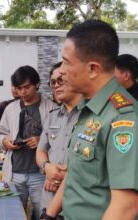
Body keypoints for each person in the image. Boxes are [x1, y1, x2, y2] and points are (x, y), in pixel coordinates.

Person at [42, 20, 138, 220]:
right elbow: (76, 173)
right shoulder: (89, 110)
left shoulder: (124, 120)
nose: (61, 70)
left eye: (67, 62)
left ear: (93, 69)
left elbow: (125, 207)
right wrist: (49, 215)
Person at [0, 65, 56, 219]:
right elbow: (1, 134)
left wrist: (42, 141)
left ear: (37, 84)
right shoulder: (11, 108)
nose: (22, 92)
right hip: (15, 173)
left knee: (43, 214)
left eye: (27, 87)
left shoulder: (52, 108)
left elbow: (61, 141)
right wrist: (5, 141)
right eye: (19, 88)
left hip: (40, 174)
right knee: (12, 215)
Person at [36, 62, 82, 212]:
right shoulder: (52, 116)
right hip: (49, 197)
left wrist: (60, 177)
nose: (56, 85)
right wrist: (47, 167)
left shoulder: (91, 115)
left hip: (76, 202)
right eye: (53, 82)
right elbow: (41, 151)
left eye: (60, 80)